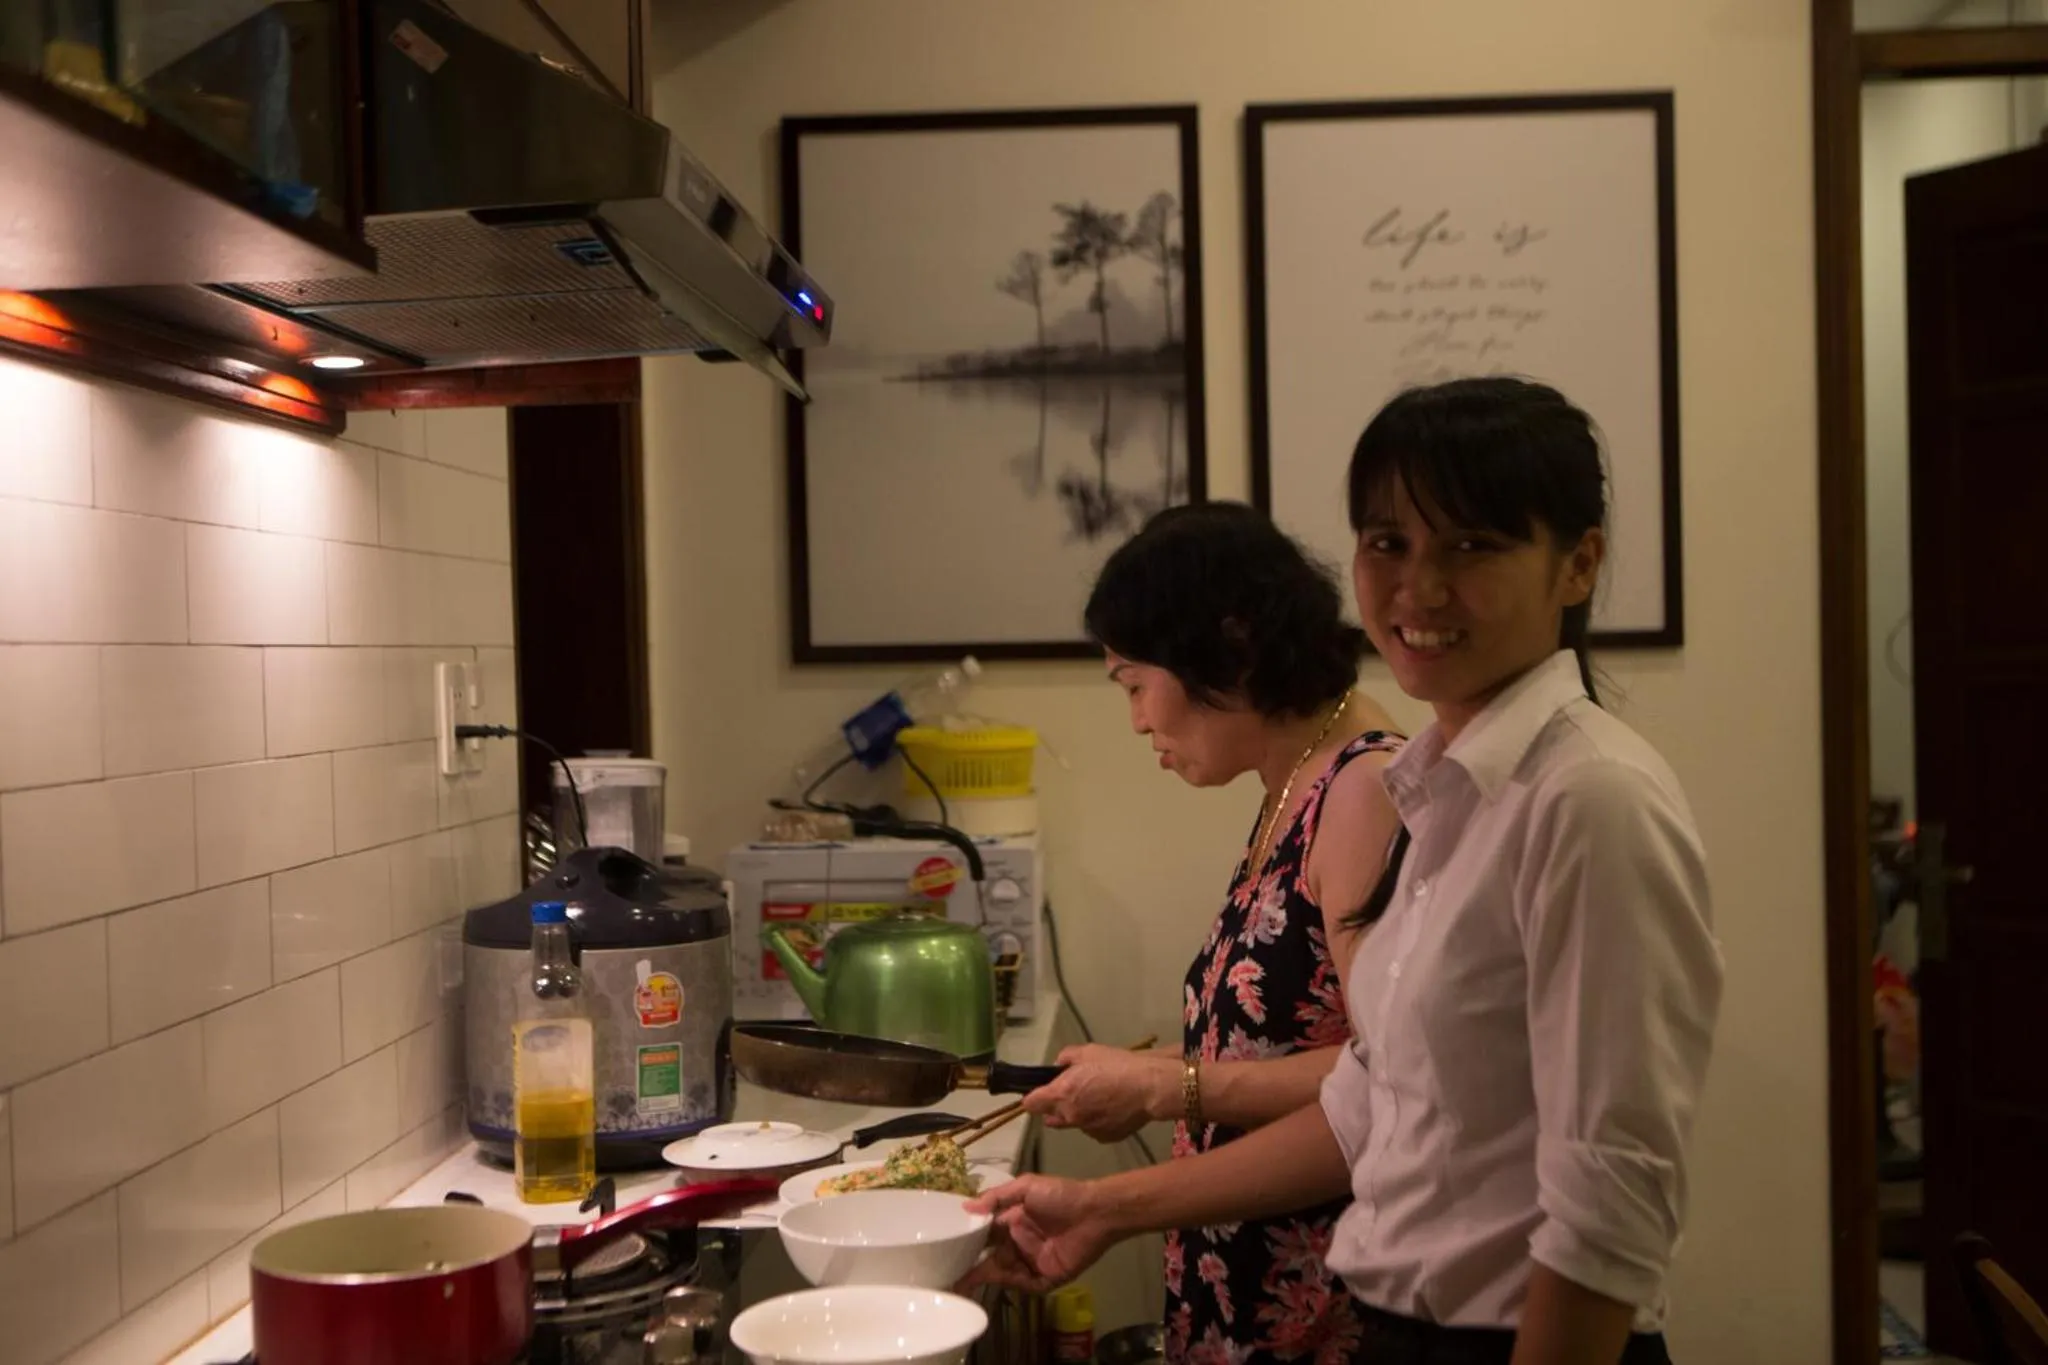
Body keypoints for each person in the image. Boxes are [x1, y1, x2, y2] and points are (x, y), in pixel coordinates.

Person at [968, 378, 1725, 1365]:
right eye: (1387, 544)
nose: (1417, 588)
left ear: (1577, 562)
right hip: (1394, 1330)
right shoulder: (1438, 790)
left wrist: (1163, 1095)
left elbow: (1608, 1199)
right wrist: (1100, 1209)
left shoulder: (1587, 799)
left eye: (1471, 545)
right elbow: (1367, 1104)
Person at [1030, 501, 1406, 1363]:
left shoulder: (1363, 789)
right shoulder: (1295, 780)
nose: (1135, 720)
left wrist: (1168, 1090)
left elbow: (1384, 1079)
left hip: (1322, 1303)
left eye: (1134, 683)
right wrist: (1142, 1070)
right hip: (1246, 1290)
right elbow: (1296, 1039)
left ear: (1230, 646)